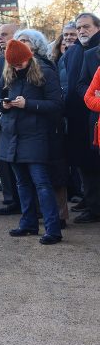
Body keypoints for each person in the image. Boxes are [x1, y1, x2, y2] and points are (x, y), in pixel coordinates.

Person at [0, 38, 64, 244]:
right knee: (22, 183)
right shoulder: (8, 72)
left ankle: (53, 229)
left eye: (20, 63)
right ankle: (28, 223)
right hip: (12, 135)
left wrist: (28, 104)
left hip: (36, 136)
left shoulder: (45, 72)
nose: (17, 67)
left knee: (41, 183)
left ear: (29, 57)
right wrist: (2, 105)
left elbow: (56, 105)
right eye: (13, 64)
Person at [68, 13, 100, 225]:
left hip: (91, 116)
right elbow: (80, 84)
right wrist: (92, 96)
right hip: (87, 116)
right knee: (88, 165)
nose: (81, 31)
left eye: (86, 27)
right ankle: (93, 205)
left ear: (97, 27)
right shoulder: (83, 53)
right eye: (79, 27)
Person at [0, 23, 21, 214]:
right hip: (2, 114)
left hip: (18, 115)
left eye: (4, 34)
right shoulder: (1, 59)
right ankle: (11, 199)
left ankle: (17, 200)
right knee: (3, 159)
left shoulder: (20, 60)